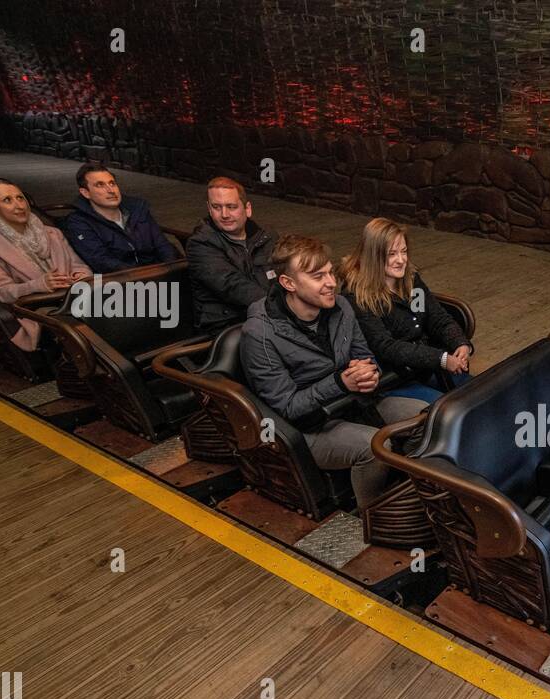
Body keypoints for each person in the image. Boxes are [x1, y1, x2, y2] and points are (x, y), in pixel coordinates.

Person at [240, 235, 426, 507]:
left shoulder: (341, 307)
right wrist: (340, 383)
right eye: (318, 276)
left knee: (427, 417)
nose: (331, 283)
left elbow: (364, 355)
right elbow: (288, 407)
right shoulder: (259, 334)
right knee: (374, 447)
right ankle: (373, 515)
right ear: (288, 283)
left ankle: (415, 493)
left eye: (329, 272)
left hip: (357, 403)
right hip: (310, 427)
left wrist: (369, 372)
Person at [338, 217, 473, 404]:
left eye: (404, 251)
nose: (401, 260)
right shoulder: (356, 296)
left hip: (425, 367)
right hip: (393, 379)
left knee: (476, 393)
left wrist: (460, 343)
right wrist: (440, 359)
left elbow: (438, 318)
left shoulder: (410, 279)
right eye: (392, 254)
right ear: (374, 256)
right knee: (446, 412)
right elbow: (386, 347)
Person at [0, 177, 91, 352]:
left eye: (20, 198)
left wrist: (81, 276)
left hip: (74, 297)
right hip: (37, 308)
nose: (19, 205)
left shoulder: (53, 233)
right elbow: (2, 292)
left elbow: (79, 266)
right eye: (7, 200)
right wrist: (39, 285)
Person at [186, 176, 275, 331]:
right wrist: (283, 307)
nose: (225, 214)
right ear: (209, 208)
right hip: (227, 325)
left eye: (231, 206)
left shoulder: (267, 237)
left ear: (247, 209)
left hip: (265, 315)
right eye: (216, 207)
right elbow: (232, 286)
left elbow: (288, 273)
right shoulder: (200, 244)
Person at [62, 161, 179, 272]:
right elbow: (101, 261)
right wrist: (143, 276)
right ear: (85, 193)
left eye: (112, 183)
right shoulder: (78, 222)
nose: (110, 190)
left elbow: (162, 244)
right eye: (100, 185)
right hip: (120, 283)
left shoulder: (138, 209)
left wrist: (169, 270)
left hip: (158, 272)